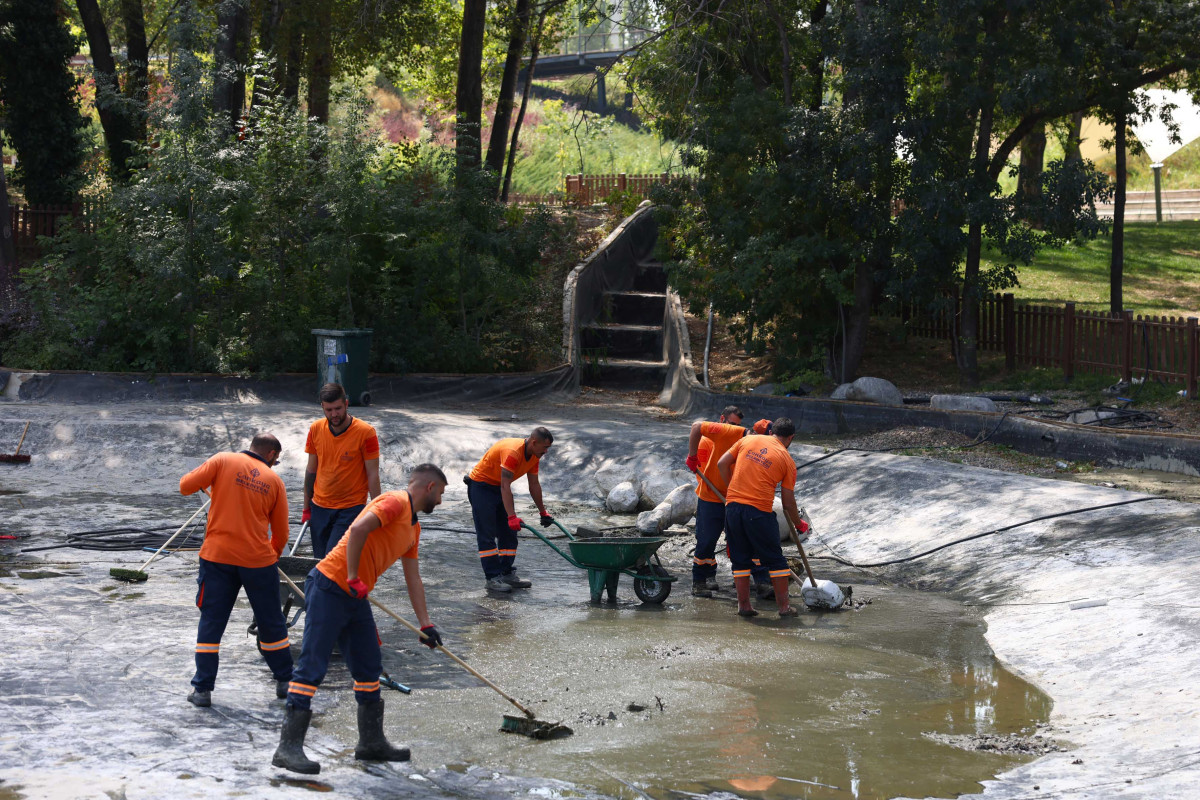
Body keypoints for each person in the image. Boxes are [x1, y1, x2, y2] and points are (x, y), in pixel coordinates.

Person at [273, 464, 449, 775]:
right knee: (313, 664)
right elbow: (357, 530)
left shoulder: (413, 528)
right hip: (331, 585)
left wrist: (426, 625)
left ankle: (370, 743)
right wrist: (353, 576)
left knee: (368, 666)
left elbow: (414, 578)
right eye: (442, 494)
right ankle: (287, 748)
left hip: (355, 595)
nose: (441, 501)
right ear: (430, 487)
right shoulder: (394, 502)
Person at [179, 433, 291, 707]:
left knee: (211, 622)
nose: (275, 464)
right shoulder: (274, 481)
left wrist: (213, 483)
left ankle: (203, 689)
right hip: (257, 562)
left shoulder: (222, 460)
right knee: (271, 622)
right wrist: (269, 557)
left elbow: (185, 486)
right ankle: (286, 682)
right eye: (275, 460)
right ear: (270, 455)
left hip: (218, 558)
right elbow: (282, 533)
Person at [717, 417, 809, 618]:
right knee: (776, 560)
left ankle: (744, 606)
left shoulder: (748, 440)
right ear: (791, 437)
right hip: (758, 512)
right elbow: (787, 503)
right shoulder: (787, 460)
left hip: (732, 508)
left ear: (771, 432)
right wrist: (799, 524)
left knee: (740, 560)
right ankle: (784, 608)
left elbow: (721, 463)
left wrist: (732, 488)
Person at [684, 406, 775, 599]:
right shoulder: (722, 434)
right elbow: (697, 428)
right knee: (706, 540)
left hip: (738, 499)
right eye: (731, 424)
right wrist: (692, 457)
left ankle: (762, 582)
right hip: (711, 496)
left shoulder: (759, 446)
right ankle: (700, 581)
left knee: (750, 540)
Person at [465, 428, 554, 592]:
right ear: (534, 442)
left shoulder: (535, 456)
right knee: (487, 534)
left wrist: (543, 512)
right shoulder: (513, 452)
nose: (546, 451)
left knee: (509, 533)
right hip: (481, 487)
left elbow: (534, 485)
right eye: (545, 447)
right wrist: (511, 516)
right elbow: (506, 485)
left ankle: (506, 573)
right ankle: (492, 578)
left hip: (499, 488)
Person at [302, 383, 381, 559]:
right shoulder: (315, 429)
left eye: (338, 408)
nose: (334, 414)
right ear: (322, 406)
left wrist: (377, 512)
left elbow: (373, 474)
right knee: (319, 563)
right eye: (329, 410)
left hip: (350, 508)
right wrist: (306, 507)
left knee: (333, 560)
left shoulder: (366, 432)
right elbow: (311, 470)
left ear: (346, 404)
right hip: (320, 507)